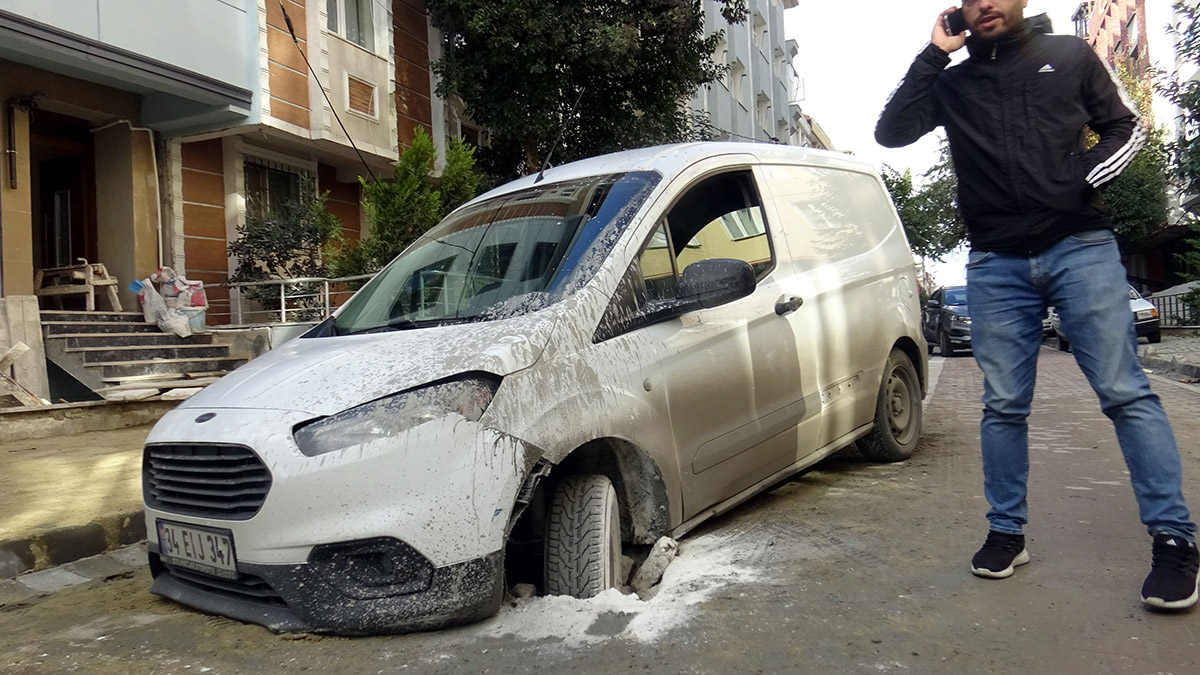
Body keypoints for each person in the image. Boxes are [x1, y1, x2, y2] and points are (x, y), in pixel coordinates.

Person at [875, 0, 1198, 610]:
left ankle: (1174, 539)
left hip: (1081, 246)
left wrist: (1081, 180)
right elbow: (891, 132)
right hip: (995, 262)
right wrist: (933, 54)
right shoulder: (955, 82)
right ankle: (1007, 531)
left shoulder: (1069, 56)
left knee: (1125, 392)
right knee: (1002, 405)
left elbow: (1126, 127)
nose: (985, 5)